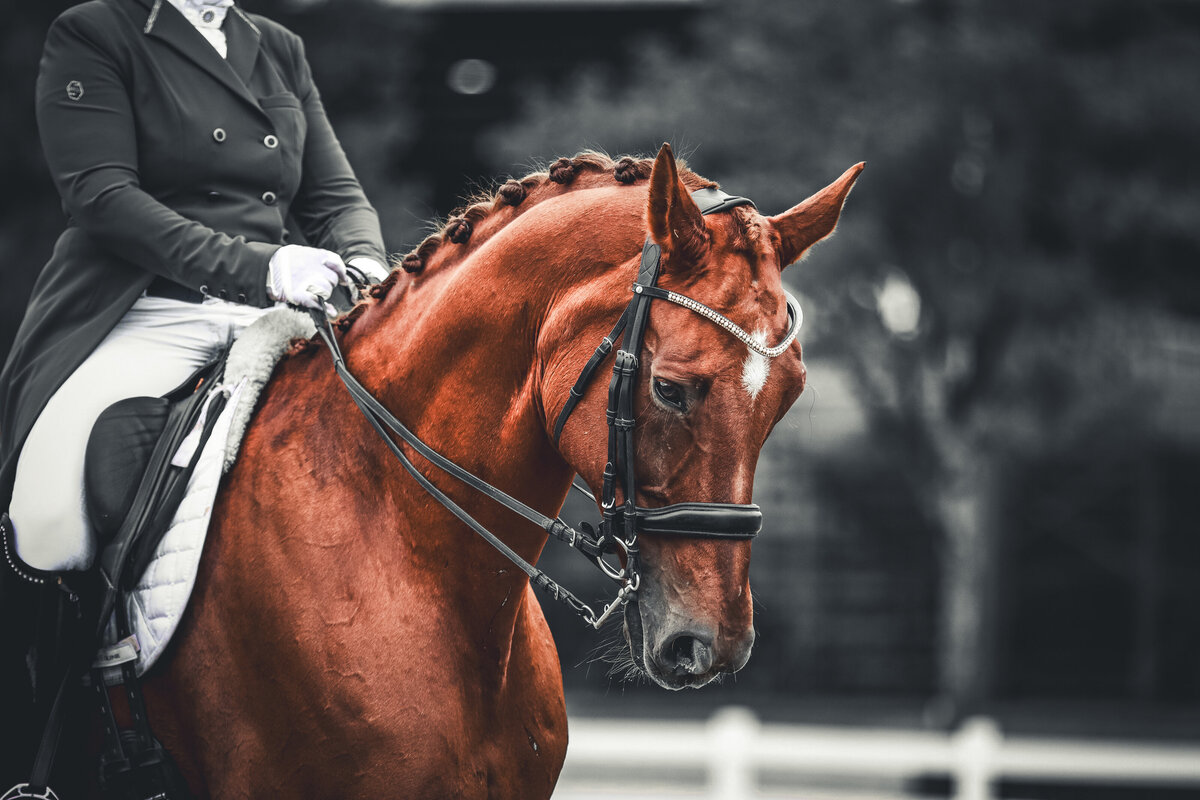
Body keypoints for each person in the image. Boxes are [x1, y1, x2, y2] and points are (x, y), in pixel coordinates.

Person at [0, 0, 388, 578]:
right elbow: (102, 199)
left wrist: (370, 266)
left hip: (275, 318)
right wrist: (262, 268)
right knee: (49, 524)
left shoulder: (277, 46)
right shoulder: (95, 32)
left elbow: (334, 196)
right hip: (145, 310)